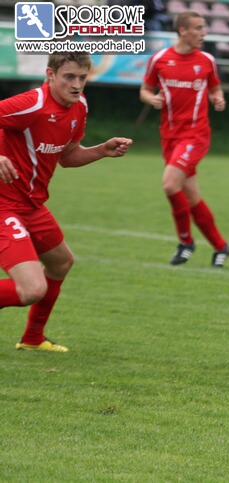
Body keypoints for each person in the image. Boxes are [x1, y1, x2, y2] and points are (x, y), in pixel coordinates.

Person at [0, 52, 133, 352]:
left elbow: (67, 157)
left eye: (82, 78)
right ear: (50, 75)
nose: (76, 84)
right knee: (31, 289)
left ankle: (33, 338)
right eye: (68, 77)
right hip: (3, 206)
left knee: (61, 262)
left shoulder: (79, 106)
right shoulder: (32, 103)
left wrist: (102, 150)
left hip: (31, 205)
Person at [140, 10, 229, 267]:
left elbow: (215, 89)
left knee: (170, 185)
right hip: (169, 136)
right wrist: (152, 99)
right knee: (191, 197)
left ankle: (185, 242)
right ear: (182, 31)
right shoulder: (160, 59)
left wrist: (218, 99)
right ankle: (221, 246)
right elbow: (145, 90)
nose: (204, 33)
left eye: (204, 28)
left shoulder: (206, 60)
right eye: (198, 28)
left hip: (196, 135)